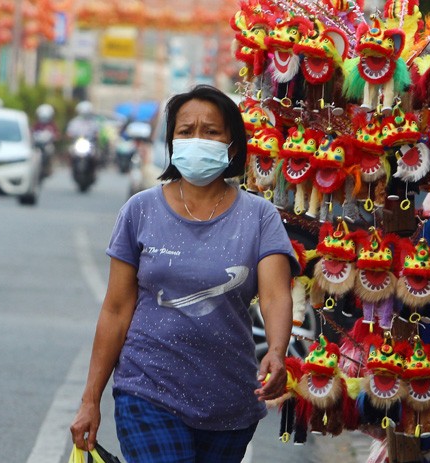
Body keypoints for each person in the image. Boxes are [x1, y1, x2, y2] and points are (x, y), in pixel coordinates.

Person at [70, 85, 298, 462]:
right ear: (172, 143)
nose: (197, 139)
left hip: (230, 403)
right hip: (147, 391)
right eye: (185, 130)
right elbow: (115, 309)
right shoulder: (139, 211)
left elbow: (275, 295)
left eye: (211, 132)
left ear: (232, 145)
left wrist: (276, 351)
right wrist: (89, 401)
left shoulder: (259, 217)